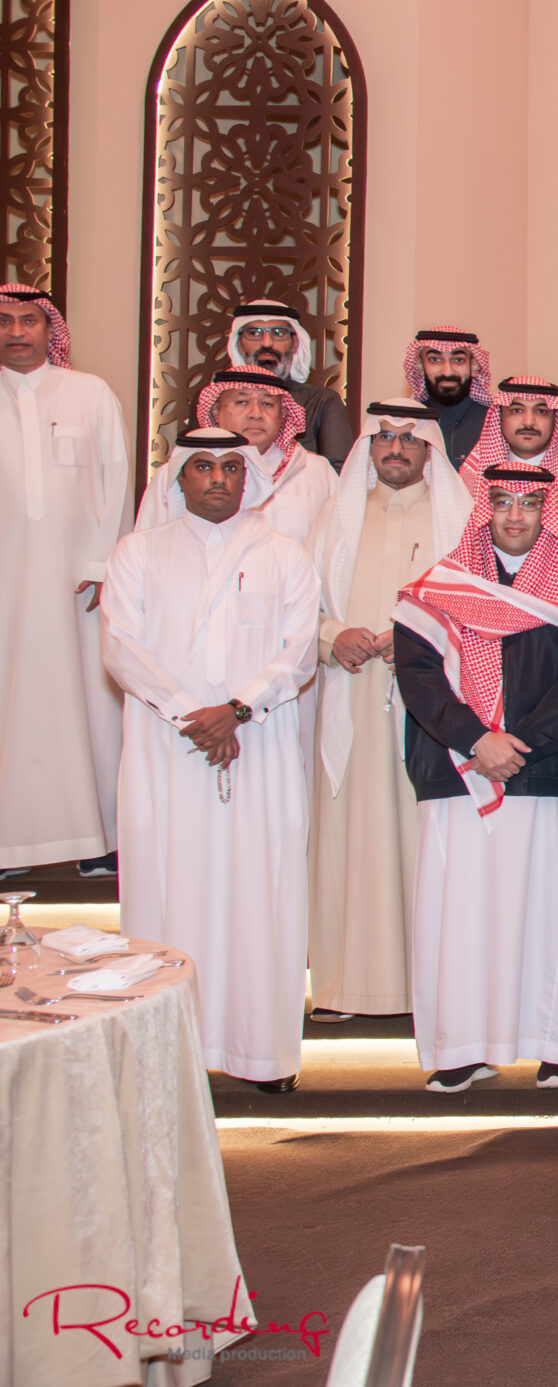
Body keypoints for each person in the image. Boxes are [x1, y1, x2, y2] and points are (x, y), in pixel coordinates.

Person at [103, 429, 322, 1091]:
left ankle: (262, 1054)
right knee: (167, 886)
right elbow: (121, 648)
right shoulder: (138, 552)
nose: (218, 478)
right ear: (179, 478)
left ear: (247, 477)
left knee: (262, 889)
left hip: (259, 745)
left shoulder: (285, 554)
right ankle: (164, 1058)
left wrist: (238, 709)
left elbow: (299, 650)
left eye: (231, 466)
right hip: (167, 748)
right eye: (202, 466)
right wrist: (191, 716)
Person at [393, 464, 558, 1091]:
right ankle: (463, 1047)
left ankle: (556, 1043)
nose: (515, 515)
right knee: (462, 916)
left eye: (528, 504)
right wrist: (476, 741)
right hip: (457, 773)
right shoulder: (433, 589)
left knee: (552, 913)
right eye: (503, 502)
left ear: (547, 512)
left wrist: (520, 748)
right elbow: (420, 681)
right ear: (485, 509)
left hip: (550, 774)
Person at [303, 399, 470, 1025]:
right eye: (384, 438)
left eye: (409, 438)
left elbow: (480, 607)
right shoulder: (334, 518)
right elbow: (299, 605)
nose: (395, 448)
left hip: (431, 706)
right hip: (349, 699)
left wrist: (419, 642)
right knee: (352, 839)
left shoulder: (460, 520)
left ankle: (433, 988)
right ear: (368, 448)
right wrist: (332, 637)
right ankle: (347, 987)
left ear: (430, 449)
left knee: (426, 839)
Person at [0, 284, 129, 876]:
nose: (16, 332)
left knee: (89, 704)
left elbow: (115, 479)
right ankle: (10, 843)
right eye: (5, 321)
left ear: (49, 329)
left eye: (28, 320)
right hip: (6, 585)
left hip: (80, 585)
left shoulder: (89, 393)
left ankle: (97, 838)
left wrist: (103, 565)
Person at [139, 368, 339, 543]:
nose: (256, 414)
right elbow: (148, 548)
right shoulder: (176, 474)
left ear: (282, 414)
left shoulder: (316, 472)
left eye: (267, 404)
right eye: (242, 402)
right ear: (215, 411)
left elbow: (337, 554)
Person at [460, 375, 558, 545]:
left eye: (541, 412)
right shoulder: (472, 477)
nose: (529, 422)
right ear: (500, 416)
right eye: (517, 410)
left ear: (554, 419)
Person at [222, 298, 353, 464]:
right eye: (254, 333)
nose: (267, 343)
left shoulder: (322, 402)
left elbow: (339, 472)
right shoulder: (218, 399)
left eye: (279, 333)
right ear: (239, 344)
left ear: (295, 343)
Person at [405, 327, 494, 463]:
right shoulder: (405, 420)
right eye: (435, 359)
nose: (447, 372)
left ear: (474, 366)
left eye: (458, 360)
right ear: (421, 366)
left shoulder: (495, 419)